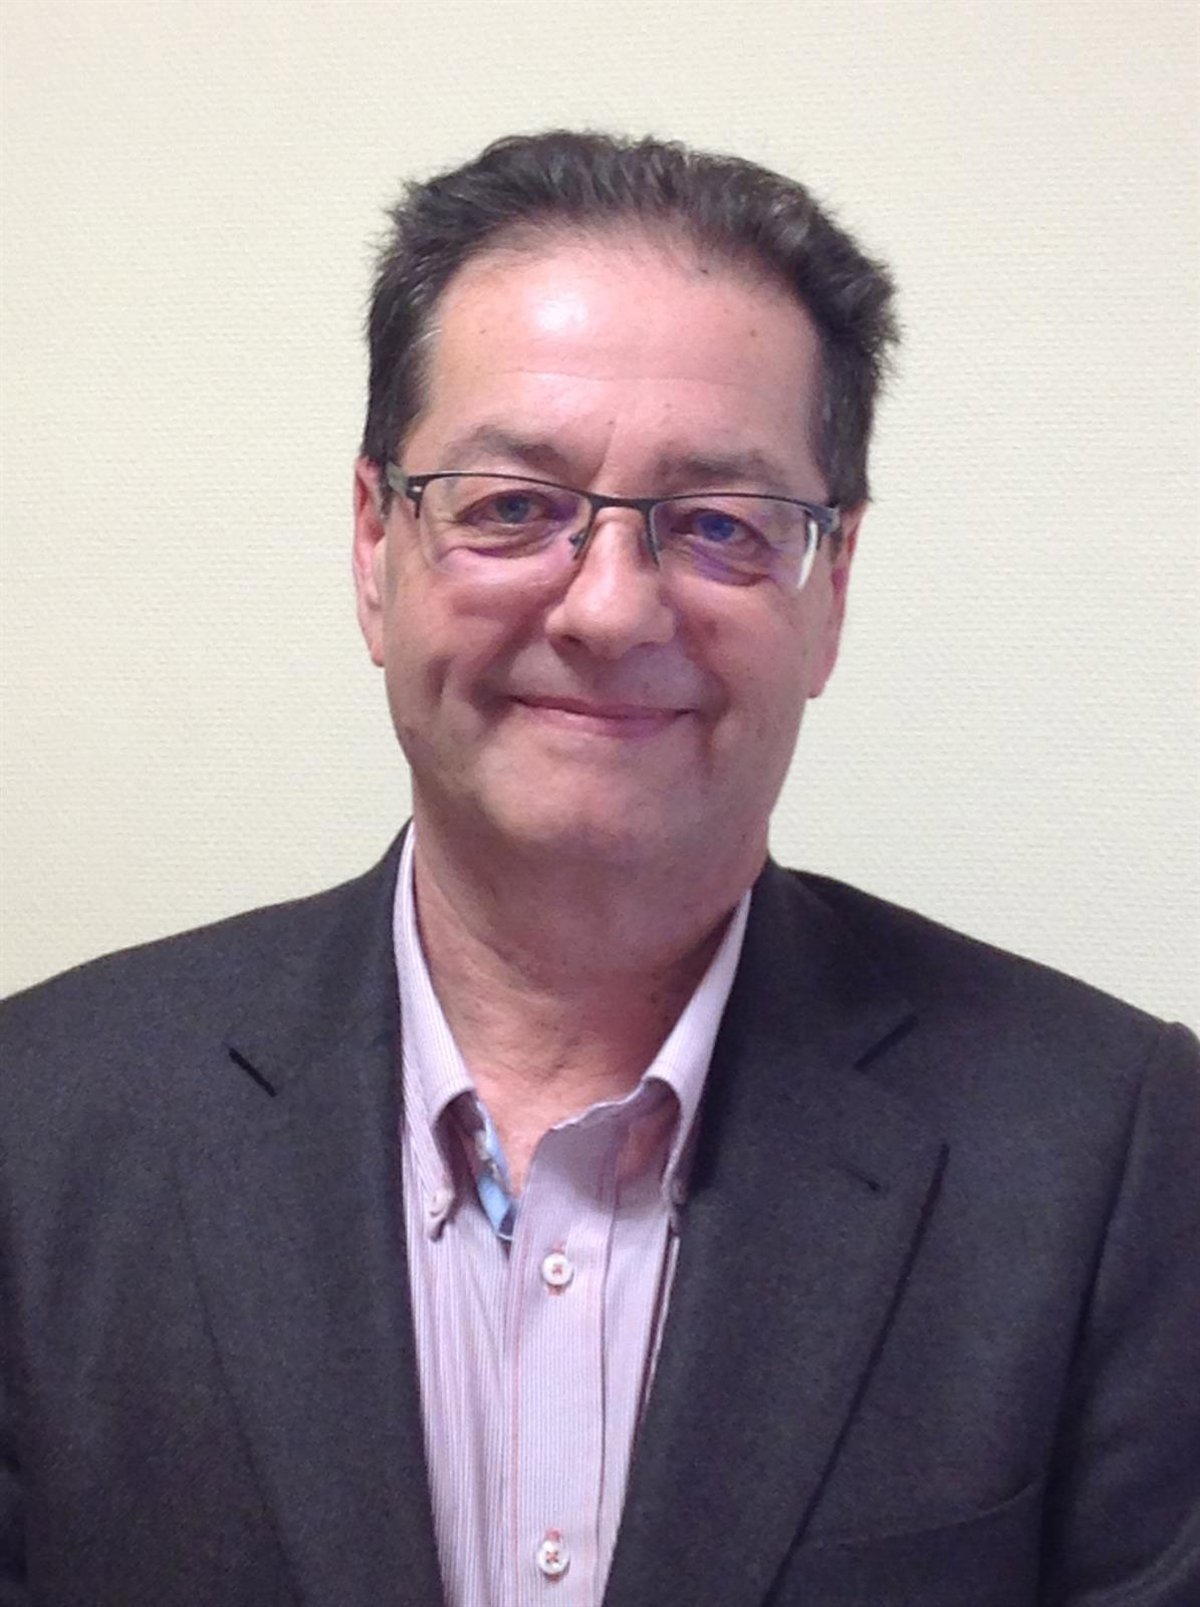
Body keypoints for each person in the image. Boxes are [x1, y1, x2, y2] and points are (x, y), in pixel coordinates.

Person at [1, 130, 1196, 1607]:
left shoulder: (1112, 1151)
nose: (612, 610)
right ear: (375, 545)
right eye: (513, 506)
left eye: (721, 525)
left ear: (831, 592)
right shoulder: (38, 1127)